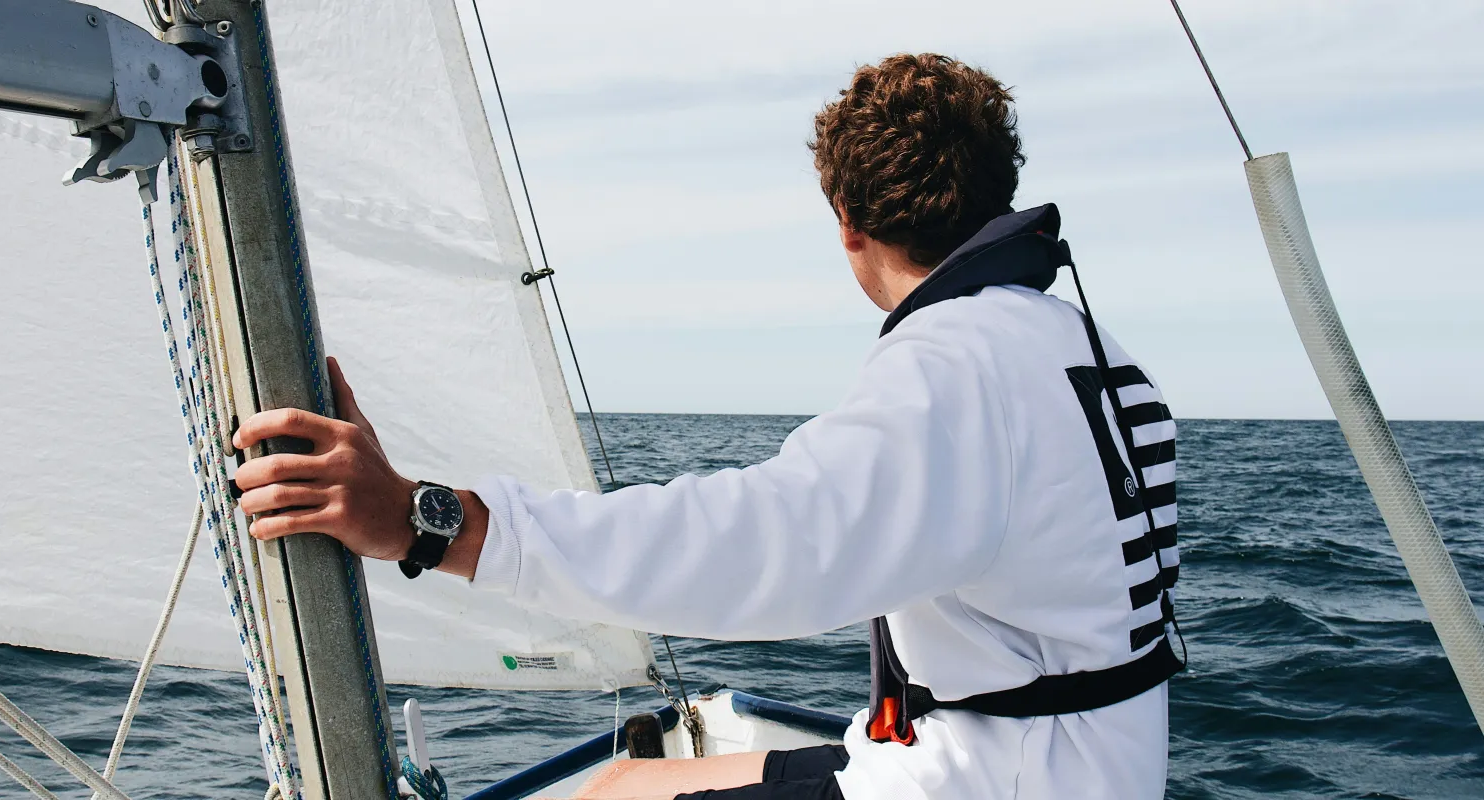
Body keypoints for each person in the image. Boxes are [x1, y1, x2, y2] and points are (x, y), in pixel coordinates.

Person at [233, 53, 1182, 800]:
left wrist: (424, 522)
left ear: (846, 220)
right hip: (1069, 765)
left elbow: (763, 544)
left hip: (987, 785)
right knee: (618, 785)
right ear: (999, 190)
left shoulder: (957, 365)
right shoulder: (1086, 350)